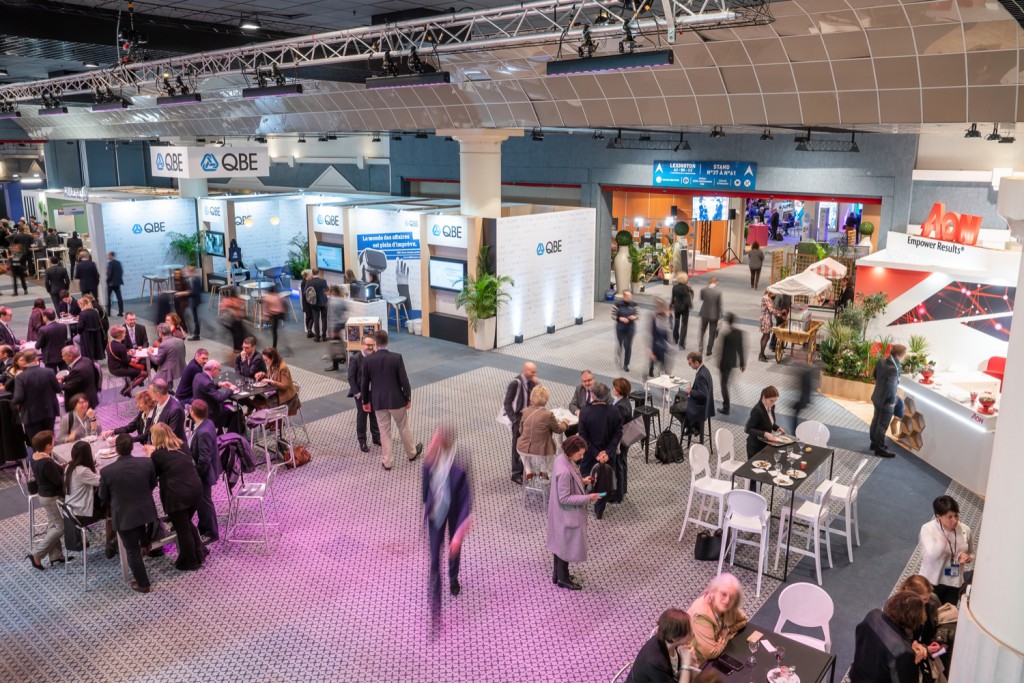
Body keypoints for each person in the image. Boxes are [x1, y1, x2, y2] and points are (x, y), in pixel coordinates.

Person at [422, 425, 473, 619]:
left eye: (435, 440)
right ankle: (435, 606)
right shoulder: (428, 462)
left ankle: (453, 577)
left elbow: (466, 499)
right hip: (435, 515)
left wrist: (459, 533)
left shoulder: (459, 466)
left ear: (444, 444)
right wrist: (426, 508)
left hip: (453, 512)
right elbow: (425, 489)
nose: (431, 443)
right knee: (434, 558)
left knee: (454, 548)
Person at [100, 433, 159, 593]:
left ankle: (143, 584)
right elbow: (152, 483)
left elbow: (103, 496)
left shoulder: (106, 472)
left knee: (132, 551)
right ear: (132, 447)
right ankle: (146, 543)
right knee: (138, 533)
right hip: (145, 511)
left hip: (125, 515)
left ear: (116, 449)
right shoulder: (147, 463)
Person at [361, 330, 423, 471]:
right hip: (396, 400)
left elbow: (364, 384)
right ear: (387, 342)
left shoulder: (368, 360)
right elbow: (404, 381)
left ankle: (387, 462)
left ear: (375, 344)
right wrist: (408, 397)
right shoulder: (396, 358)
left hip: (379, 402)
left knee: (384, 431)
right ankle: (412, 454)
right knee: (403, 426)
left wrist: (365, 401)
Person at [147, 423, 205, 571]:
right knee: (186, 522)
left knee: (182, 529)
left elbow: (153, 477)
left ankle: (190, 562)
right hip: (196, 490)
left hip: (177, 495)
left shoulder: (156, 455)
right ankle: (200, 551)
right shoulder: (183, 446)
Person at [546, 434, 601, 590]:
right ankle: (563, 579)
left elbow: (568, 482)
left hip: (559, 513)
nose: (582, 457)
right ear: (571, 451)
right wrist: (587, 498)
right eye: (580, 454)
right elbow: (565, 498)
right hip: (567, 514)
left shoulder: (561, 459)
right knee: (565, 545)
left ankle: (558, 574)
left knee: (560, 543)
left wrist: (582, 481)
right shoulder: (564, 470)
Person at [850, 591, 928, 683]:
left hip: (856, 675)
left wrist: (908, 646)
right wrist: (913, 661)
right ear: (915, 618)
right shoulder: (903, 652)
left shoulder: (873, 616)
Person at [63, 440, 115, 556]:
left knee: (107, 502)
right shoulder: (82, 471)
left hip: (72, 510)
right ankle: (111, 545)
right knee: (112, 508)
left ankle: (112, 542)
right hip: (81, 514)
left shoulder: (69, 466)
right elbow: (103, 481)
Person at [918, 495, 973, 605]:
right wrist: (942, 542)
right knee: (927, 614)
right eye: (950, 517)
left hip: (954, 580)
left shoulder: (965, 529)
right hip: (931, 581)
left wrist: (968, 558)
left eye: (956, 515)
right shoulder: (928, 529)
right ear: (938, 516)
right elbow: (932, 554)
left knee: (947, 613)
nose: (955, 520)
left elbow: (972, 552)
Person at [26, 431, 69, 570]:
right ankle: (37, 554)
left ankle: (56, 555)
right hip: (51, 497)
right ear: (48, 445)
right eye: (52, 440)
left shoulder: (35, 457)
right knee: (61, 527)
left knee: (53, 524)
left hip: (43, 495)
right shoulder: (47, 462)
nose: (54, 441)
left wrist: (58, 467)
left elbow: (47, 474)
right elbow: (57, 481)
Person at [687, 573, 749, 665]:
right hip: (696, 661)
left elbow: (744, 620)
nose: (727, 600)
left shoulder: (727, 605)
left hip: (716, 650)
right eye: (723, 594)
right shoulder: (701, 614)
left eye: (732, 596)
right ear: (713, 591)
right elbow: (710, 654)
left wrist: (728, 629)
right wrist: (726, 638)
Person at [626, 609, 696, 683]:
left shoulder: (669, 638)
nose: (693, 634)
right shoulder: (655, 662)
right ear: (674, 638)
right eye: (688, 632)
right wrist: (686, 664)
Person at [515, 385, 569, 481]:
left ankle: (528, 472)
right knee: (550, 450)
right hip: (541, 451)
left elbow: (521, 430)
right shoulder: (548, 414)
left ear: (532, 398)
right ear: (546, 399)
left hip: (522, 448)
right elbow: (558, 430)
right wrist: (565, 423)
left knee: (525, 453)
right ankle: (543, 472)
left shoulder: (525, 411)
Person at [187, 399, 220, 543]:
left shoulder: (204, 431)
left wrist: (196, 476)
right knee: (202, 502)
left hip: (203, 474)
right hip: (202, 471)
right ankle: (203, 527)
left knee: (205, 503)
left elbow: (204, 459)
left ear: (192, 413)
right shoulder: (207, 423)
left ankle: (211, 532)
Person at [577, 381, 623, 485]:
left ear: (592, 395)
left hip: (589, 455)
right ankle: (600, 502)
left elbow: (583, 437)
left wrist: (596, 453)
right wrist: (606, 452)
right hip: (608, 457)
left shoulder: (584, 412)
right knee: (606, 484)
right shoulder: (615, 411)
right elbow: (618, 434)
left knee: (584, 483)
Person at [12, 349, 60, 445]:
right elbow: (58, 389)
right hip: (49, 412)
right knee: (49, 441)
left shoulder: (21, 377)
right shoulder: (49, 371)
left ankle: (39, 459)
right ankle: (49, 458)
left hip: (31, 416)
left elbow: (18, 397)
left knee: (37, 443)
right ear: (37, 359)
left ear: (25, 361)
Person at [504, 361, 539, 484]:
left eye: (535, 372)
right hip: (518, 419)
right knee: (517, 446)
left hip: (529, 417)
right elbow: (507, 403)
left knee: (527, 444)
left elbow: (539, 397)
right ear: (525, 370)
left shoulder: (532, 382)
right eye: (532, 372)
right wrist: (514, 419)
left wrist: (537, 384)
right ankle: (516, 473)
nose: (534, 374)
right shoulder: (516, 383)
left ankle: (525, 468)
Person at [870, 344, 906, 458]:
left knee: (875, 421)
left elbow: (874, 375)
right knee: (882, 425)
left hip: (877, 396)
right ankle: (879, 449)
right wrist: (892, 401)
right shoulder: (894, 369)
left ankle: (874, 443)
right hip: (886, 401)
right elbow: (892, 387)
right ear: (900, 355)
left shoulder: (881, 361)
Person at [744, 386, 785, 487]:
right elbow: (748, 429)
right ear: (763, 397)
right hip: (754, 447)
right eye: (771, 401)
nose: (773, 403)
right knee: (756, 475)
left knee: (762, 473)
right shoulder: (757, 410)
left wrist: (776, 428)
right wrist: (765, 434)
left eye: (775, 401)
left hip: (764, 445)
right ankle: (751, 498)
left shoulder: (770, 406)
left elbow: (768, 422)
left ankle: (757, 497)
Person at [348, 335, 381, 453]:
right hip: (361, 394)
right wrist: (357, 393)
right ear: (362, 345)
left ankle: (376, 438)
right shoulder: (355, 359)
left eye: (372, 345)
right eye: (368, 345)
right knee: (362, 416)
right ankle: (362, 441)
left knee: (374, 415)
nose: (370, 347)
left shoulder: (375, 356)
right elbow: (351, 378)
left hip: (374, 392)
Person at [255, 347, 300, 414]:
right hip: (276, 393)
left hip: (286, 398)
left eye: (266, 360)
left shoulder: (283, 368)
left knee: (266, 404)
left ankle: (276, 421)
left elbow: (285, 386)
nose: (265, 362)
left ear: (272, 358)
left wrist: (271, 381)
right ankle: (269, 421)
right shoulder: (271, 364)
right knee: (257, 399)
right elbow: (269, 377)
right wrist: (262, 374)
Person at [192, 360, 235, 430]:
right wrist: (231, 390)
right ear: (214, 369)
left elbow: (206, 389)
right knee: (236, 410)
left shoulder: (198, 376)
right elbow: (220, 398)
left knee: (229, 404)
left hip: (198, 410)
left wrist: (219, 384)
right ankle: (231, 436)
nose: (219, 372)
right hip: (210, 415)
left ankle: (221, 432)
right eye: (219, 370)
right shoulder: (208, 383)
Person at [107, 326, 148, 397]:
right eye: (124, 333)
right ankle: (128, 390)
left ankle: (125, 389)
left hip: (112, 368)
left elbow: (119, 355)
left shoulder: (110, 344)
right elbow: (126, 362)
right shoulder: (121, 346)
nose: (125, 334)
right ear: (120, 335)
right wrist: (132, 359)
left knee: (132, 372)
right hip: (119, 369)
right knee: (145, 374)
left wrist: (128, 354)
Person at [717, 313, 745, 415]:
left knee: (723, 384)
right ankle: (726, 405)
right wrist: (742, 363)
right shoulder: (739, 333)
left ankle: (726, 407)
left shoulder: (726, 334)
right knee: (726, 382)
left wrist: (720, 365)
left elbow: (723, 352)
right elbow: (740, 349)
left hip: (725, 363)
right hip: (732, 362)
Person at [611, 377, 633, 504]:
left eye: (614, 387)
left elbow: (617, 425)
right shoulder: (624, 401)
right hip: (625, 438)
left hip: (621, 441)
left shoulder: (621, 406)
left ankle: (618, 495)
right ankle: (622, 490)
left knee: (619, 466)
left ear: (618, 390)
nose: (612, 388)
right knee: (622, 464)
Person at [683, 351, 715, 438]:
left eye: (690, 363)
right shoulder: (705, 370)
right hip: (708, 405)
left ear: (696, 363)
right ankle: (692, 426)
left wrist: (691, 391)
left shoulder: (700, 375)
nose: (689, 366)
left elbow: (703, 395)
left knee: (676, 409)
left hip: (701, 408)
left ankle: (692, 427)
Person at [151, 323, 186, 389]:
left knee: (152, 386)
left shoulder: (163, 344)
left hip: (168, 370)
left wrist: (150, 354)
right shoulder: (180, 341)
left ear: (160, 333)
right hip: (181, 368)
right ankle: (168, 388)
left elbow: (157, 361)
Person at [613, 290, 638, 372]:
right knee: (620, 343)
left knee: (628, 346)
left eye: (630, 296)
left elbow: (637, 315)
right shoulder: (617, 304)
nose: (629, 298)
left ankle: (626, 364)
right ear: (624, 297)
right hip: (620, 327)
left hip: (630, 328)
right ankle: (619, 354)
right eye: (627, 296)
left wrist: (634, 317)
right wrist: (619, 318)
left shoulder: (634, 304)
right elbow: (613, 315)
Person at [325, 285, 348, 370]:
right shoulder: (342, 300)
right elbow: (346, 310)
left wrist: (331, 329)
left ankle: (336, 364)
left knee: (333, 344)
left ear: (333, 292)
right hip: (342, 323)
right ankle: (343, 357)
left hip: (335, 325)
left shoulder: (332, 301)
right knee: (339, 342)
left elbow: (331, 315)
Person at [76, 296, 105, 362]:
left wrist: (79, 332)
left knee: (76, 340)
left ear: (82, 304)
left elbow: (80, 327)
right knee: (95, 352)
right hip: (96, 334)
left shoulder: (82, 314)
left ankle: (80, 358)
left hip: (87, 335)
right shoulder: (94, 311)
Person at [698, 277, 722, 356]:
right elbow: (719, 305)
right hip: (714, 315)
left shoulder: (703, 290)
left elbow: (702, 298)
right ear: (716, 282)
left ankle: (701, 347)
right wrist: (720, 317)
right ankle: (709, 350)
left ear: (709, 282)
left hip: (704, 313)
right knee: (712, 333)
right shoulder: (718, 292)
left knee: (702, 331)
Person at [218, 287, 245, 355]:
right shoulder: (235, 300)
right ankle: (238, 349)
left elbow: (222, 308)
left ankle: (237, 349)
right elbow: (239, 307)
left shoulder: (227, 300)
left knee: (237, 334)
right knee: (238, 334)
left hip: (228, 321)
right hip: (233, 320)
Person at [670, 272, 693, 349]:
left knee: (676, 322)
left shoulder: (675, 287)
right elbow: (691, 297)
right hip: (685, 308)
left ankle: (675, 338)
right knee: (684, 325)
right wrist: (690, 289)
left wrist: (671, 305)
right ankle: (681, 344)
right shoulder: (687, 287)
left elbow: (673, 298)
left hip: (677, 307)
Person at [648, 297, 670, 378]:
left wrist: (668, 343)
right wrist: (649, 349)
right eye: (660, 307)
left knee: (663, 360)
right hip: (655, 341)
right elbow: (651, 332)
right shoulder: (654, 316)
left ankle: (663, 374)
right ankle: (651, 369)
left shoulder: (666, 316)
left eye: (663, 307)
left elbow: (667, 330)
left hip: (663, 341)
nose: (662, 308)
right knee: (653, 358)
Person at [757, 288, 779, 362]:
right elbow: (771, 309)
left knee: (766, 336)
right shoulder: (766, 297)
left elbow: (772, 309)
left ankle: (762, 354)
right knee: (765, 336)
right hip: (765, 319)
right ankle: (761, 354)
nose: (775, 294)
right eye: (774, 292)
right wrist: (779, 313)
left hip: (767, 319)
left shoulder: (769, 297)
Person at [308, 267, 328, 342]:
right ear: (318, 273)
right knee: (324, 319)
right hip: (323, 302)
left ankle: (317, 337)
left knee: (316, 320)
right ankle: (324, 336)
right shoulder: (323, 281)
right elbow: (327, 289)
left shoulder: (309, 282)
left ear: (312, 273)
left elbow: (305, 293)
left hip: (314, 303)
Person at [185, 265, 203, 341]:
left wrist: (186, 293)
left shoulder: (195, 280)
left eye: (187, 271)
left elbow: (195, 292)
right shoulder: (195, 279)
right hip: (195, 300)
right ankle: (196, 333)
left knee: (195, 318)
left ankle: (196, 334)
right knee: (195, 318)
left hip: (195, 301)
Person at [106, 251, 124, 317]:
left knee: (108, 298)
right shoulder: (118, 263)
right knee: (119, 297)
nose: (107, 256)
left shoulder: (110, 263)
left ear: (111, 255)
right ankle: (121, 312)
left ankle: (108, 313)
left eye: (108, 255)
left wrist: (107, 281)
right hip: (117, 282)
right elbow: (121, 272)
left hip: (111, 283)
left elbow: (109, 274)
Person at [300, 269, 314, 338]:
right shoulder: (305, 282)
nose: (312, 276)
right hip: (308, 302)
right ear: (308, 275)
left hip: (306, 301)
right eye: (311, 274)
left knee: (308, 316)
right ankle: (309, 331)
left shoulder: (304, 282)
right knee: (310, 316)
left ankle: (309, 331)